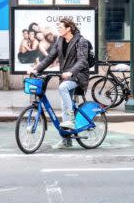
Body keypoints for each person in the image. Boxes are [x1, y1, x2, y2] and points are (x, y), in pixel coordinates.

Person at [28, 18, 90, 148]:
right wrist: (36, 69)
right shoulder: (60, 41)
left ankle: (72, 120)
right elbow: (50, 58)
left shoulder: (81, 41)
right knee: (64, 106)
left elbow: (83, 61)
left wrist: (71, 72)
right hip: (66, 77)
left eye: (61, 27)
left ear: (68, 28)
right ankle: (66, 141)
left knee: (62, 88)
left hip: (78, 76)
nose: (59, 29)